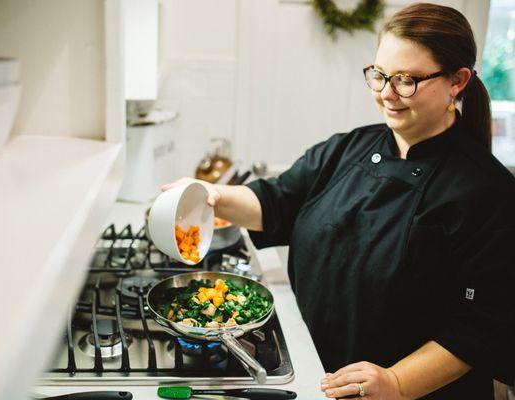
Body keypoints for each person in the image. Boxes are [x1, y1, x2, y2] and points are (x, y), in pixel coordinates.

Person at [161, 3, 515, 399]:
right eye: (379, 75)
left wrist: (397, 382)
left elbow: (480, 326)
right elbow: (275, 202)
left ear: (457, 81)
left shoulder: (486, 190)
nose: (386, 94)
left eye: (406, 80)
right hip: (315, 371)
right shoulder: (349, 149)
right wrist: (213, 195)